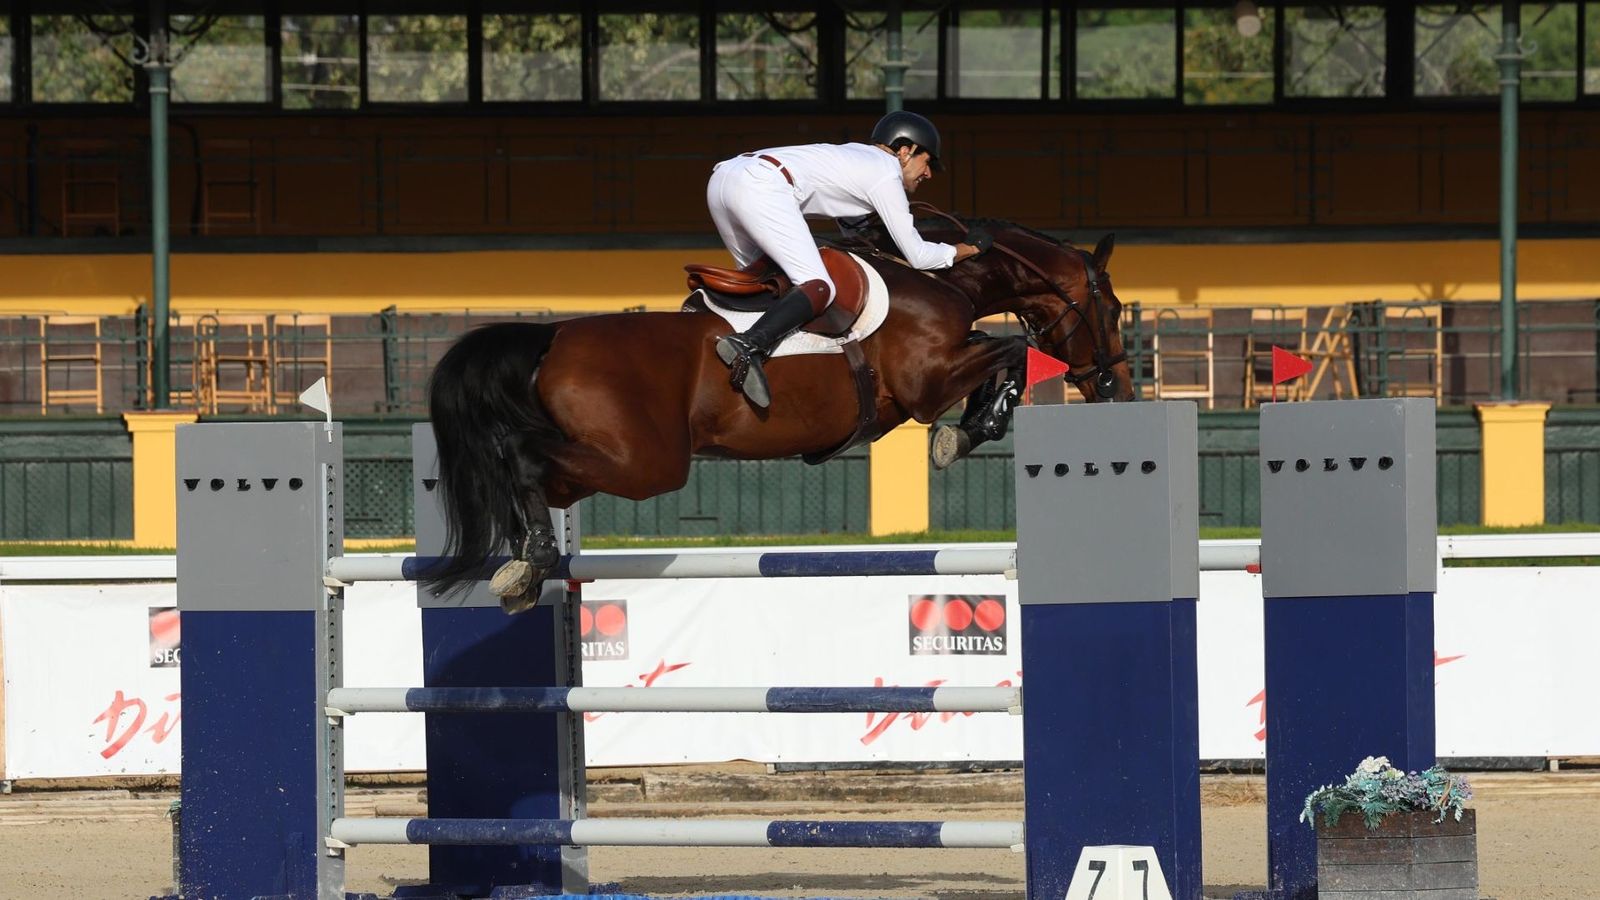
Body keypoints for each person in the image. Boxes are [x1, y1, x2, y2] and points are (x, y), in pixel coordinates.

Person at [705, 110, 992, 408]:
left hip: (724, 178)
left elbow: (858, 229)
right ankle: (747, 345)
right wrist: (968, 249)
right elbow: (918, 256)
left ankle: (739, 342)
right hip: (761, 186)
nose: (928, 173)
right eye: (927, 161)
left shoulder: (859, 158)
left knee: (763, 280)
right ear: (906, 152)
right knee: (818, 285)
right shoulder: (886, 172)